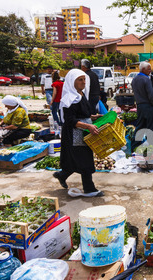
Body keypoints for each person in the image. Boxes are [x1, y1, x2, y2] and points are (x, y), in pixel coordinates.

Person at [53, 69, 104, 197]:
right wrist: (88, 125)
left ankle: (62, 175)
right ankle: (89, 188)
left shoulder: (80, 94)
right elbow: (70, 120)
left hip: (83, 131)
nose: (83, 82)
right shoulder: (69, 99)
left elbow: (82, 114)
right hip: (74, 134)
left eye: (84, 79)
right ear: (72, 82)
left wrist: (93, 117)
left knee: (75, 159)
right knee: (85, 160)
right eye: (80, 80)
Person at [131, 61, 153, 151]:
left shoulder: (134, 79)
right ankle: (150, 149)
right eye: (149, 69)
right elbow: (151, 95)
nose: (150, 71)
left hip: (140, 106)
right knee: (151, 128)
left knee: (140, 127)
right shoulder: (146, 79)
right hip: (148, 106)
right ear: (143, 69)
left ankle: (134, 147)